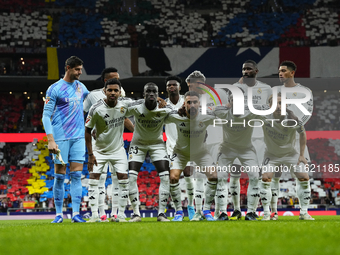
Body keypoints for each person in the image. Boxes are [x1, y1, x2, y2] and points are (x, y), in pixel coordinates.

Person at [42, 56, 89, 223]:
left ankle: (76, 214)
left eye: (80, 69)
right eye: (77, 69)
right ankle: (59, 214)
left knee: (77, 175)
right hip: (60, 137)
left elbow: (92, 105)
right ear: (68, 68)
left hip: (78, 137)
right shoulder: (54, 89)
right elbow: (46, 116)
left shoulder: (81, 88)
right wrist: (50, 139)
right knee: (60, 176)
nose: (80, 72)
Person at [83, 67, 134, 222]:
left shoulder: (125, 102)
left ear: (119, 91)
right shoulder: (95, 105)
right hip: (99, 149)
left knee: (123, 180)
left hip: (118, 149)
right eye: (110, 90)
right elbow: (87, 127)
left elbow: (138, 109)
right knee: (94, 180)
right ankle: (95, 215)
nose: (113, 92)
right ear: (104, 90)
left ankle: (120, 214)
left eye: (116, 90)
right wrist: (90, 154)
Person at [257, 93, 313, 220]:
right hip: (271, 154)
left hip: (290, 153)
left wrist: (302, 155)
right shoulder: (264, 116)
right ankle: (268, 213)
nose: (278, 106)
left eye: (281, 103)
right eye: (275, 103)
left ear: (286, 105)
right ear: (269, 106)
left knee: (304, 177)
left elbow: (302, 133)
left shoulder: (293, 119)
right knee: (266, 179)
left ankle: (304, 213)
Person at [269, 60, 313, 220]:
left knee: (302, 176)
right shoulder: (274, 90)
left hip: (295, 137)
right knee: (274, 175)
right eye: (279, 70)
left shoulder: (304, 91)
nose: (280, 73)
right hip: (276, 138)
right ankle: (273, 212)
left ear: (292, 72)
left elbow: (306, 114)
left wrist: (290, 120)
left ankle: (304, 212)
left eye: (283, 70)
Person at [228, 60, 272, 221]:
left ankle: (251, 211)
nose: (246, 71)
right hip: (238, 136)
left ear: (256, 71)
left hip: (259, 136)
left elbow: (271, 108)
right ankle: (236, 209)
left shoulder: (266, 89)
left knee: (255, 176)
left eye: (249, 69)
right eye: (243, 69)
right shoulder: (236, 87)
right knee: (234, 175)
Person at [166, 91, 218, 221]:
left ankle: (206, 210)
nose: (192, 104)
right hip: (181, 153)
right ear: (184, 104)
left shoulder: (206, 116)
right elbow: (160, 117)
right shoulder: (176, 116)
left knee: (213, 176)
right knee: (173, 177)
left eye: (195, 102)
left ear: (199, 103)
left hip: (201, 152)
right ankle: (178, 212)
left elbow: (224, 117)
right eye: (189, 102)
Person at [184, 70, 229, 220]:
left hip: (218, 141)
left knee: (221, 176)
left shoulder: (219, 95)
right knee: (200, 177)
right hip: (200, 144)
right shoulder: (190, 99)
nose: (191, 88)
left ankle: (221, 211)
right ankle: (199, 212)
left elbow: (229, 111)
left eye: (193, 85)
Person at [127, 83, 173, 222]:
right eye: (148, 91)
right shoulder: (136, 107)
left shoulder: (164, 109)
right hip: (138, 144)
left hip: (157, 144)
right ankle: (136, 214)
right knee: (132, 177)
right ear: (144, 94)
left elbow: (178, 115)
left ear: (158, 94)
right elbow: (118, 113)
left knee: (165, 177)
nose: (151, 94)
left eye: (154, 92)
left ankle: (161, 214)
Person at [164, 75, 195, 220]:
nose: (172, 87)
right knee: (173, 178)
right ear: (166, 88)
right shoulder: (163, 104)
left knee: (189, 174)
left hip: (188, 144)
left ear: (179, 87)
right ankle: (178, 211)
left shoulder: (187, 101)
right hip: (171, 146)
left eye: (174, 85)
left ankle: (191, 206)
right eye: (169, 85)